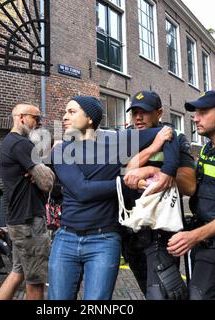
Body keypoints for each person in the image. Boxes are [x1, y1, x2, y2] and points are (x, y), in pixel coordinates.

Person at [48, 96, 181, 300]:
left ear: (90, 119)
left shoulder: (117, 142)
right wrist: (125, 182)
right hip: (66, 238)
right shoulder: (60, 151)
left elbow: (170, 134)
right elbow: (81, 191)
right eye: (65, 112)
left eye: (72, 112)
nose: (64, 117)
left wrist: (167, 171)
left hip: (104, 240)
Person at [167, 90, 215, 300]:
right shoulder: (207, 149)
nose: (195, 118)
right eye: (195, 113)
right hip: (206, 243)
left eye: (202, 112)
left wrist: (194, 236)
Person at [120, 90, 196, 300]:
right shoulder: (127, 139)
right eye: (134, 112)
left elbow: (189, 185)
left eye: (143, 112)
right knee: (148, 291)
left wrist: (152, 171)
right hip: (131, 233)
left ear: (159, 113)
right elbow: (124, 173)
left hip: (161, 234)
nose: (137, 117)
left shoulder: (174, 138)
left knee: (163, 295)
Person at [0, 103, 55, 300]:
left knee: (17, 273)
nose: (39, 123)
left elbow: (40, 175)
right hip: (29, 222)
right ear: (21, 117)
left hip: (17, 219)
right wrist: (44, 172)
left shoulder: (9, 142)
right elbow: (46, 183)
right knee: (35, 282)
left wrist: (38, 171)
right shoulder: (21, 144)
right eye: (35, 118)